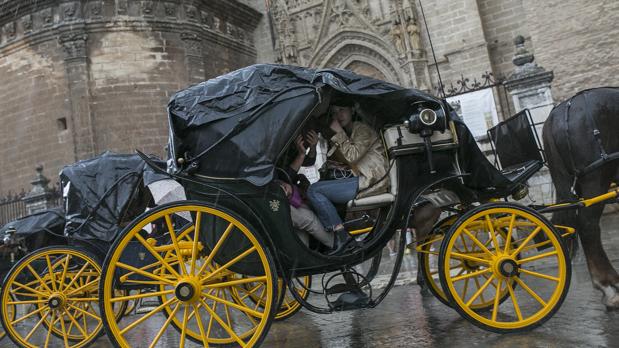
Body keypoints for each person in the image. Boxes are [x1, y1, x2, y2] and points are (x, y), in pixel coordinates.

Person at [307, 97, 390, 255]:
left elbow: (352, 156)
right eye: (334, 112)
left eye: (342, 110)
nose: (338, 115)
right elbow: (343, 158)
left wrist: (337, 132)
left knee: (314, 191)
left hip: (372, 179)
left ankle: (342, 236)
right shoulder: (349, 132)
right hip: (362, 178)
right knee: (317, 189)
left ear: (352, 110)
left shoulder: (362, 129)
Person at [278, 131, 335, 250]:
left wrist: (312, 148)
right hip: (274, 196)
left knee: (302, 229)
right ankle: (336, 244)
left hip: (283, 193)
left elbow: (307, 162)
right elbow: (285, 174)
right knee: (308, 218)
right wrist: (301, 154)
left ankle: (304, 262)